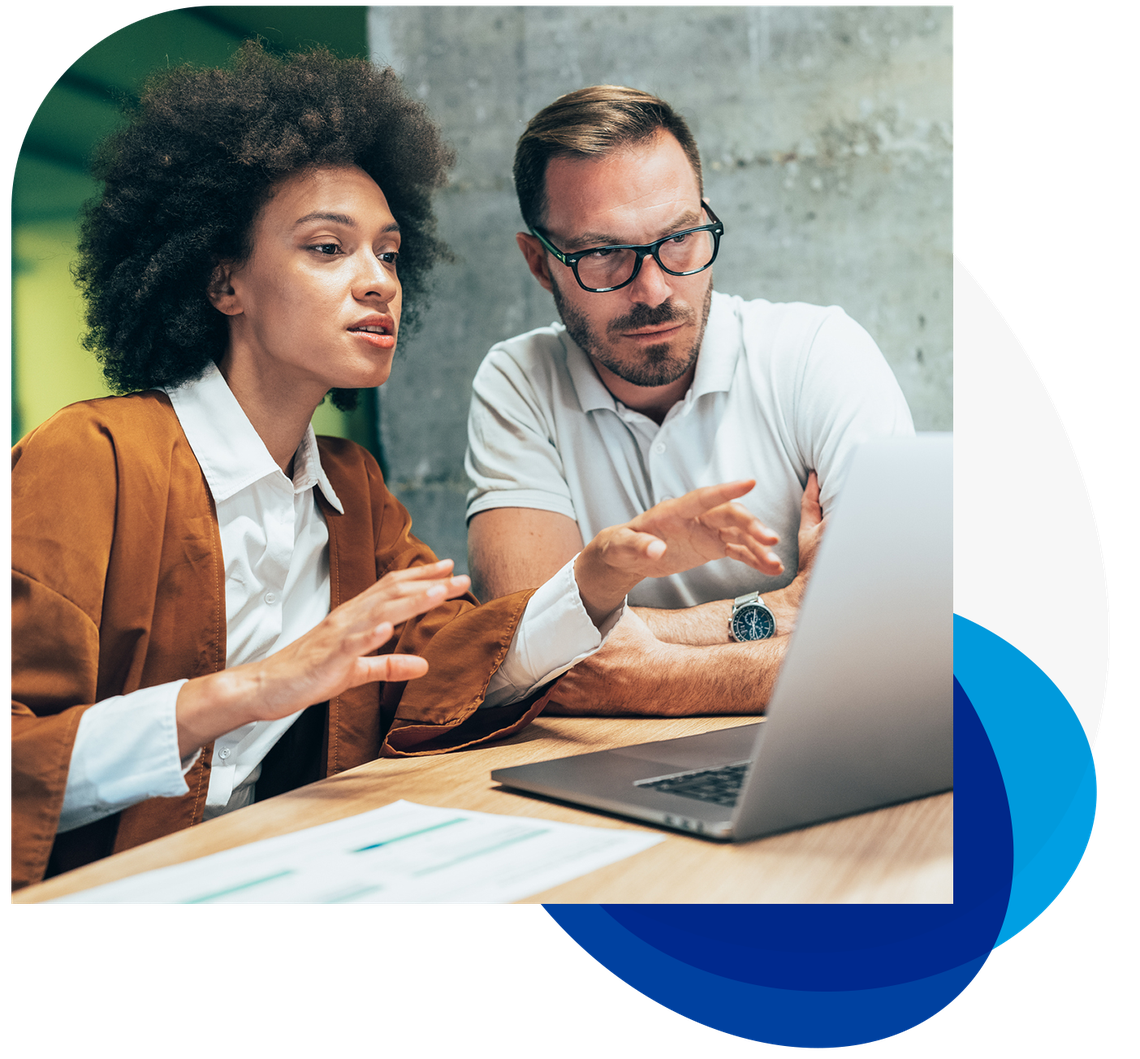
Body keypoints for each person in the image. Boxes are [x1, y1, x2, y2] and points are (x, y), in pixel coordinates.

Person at [9, 51, 784, 891]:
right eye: (328, 248)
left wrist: (593, 578)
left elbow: (449, 665)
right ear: (223, 278)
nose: (378, 281)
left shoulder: (353, 493)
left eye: (387, 251)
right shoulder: (87, 460)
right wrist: (248, 690)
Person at [466, 85, 915, 717]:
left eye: (679, 238)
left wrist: (656, 675)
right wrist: (782, 610)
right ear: (540, 263)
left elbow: (898, 639)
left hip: (810, 739)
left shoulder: (818, 353)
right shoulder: (519, 381)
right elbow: (521, 652)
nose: (654, 289)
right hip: (606, 764)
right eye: (603, 253)